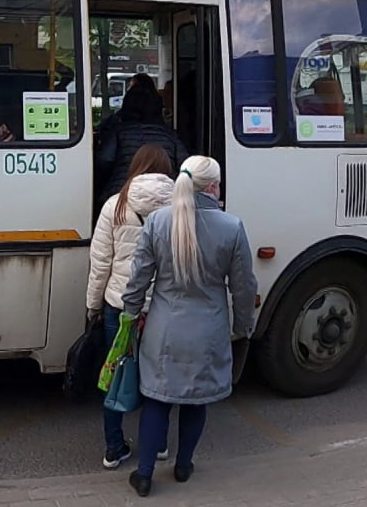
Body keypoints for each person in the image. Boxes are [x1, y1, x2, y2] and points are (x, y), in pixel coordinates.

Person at [120, 155, 257, 497]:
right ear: (212, 187)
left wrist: (130, 314)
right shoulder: (231, 226)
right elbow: (244, 287)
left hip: (162, 330)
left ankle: (145, 474)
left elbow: (138, 279)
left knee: (157, 401)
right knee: (196, 402)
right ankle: (183, 466)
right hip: (208, 331)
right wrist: (244, 326)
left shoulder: (158, 222)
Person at [86, 144, 176, 470]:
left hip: (120, 308)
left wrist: (92, 305)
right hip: (164, 309)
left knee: (116, 375)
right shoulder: (181, 208)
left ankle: (114, 448)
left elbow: (100, 263)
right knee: (160, 378)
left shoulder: (116, 204)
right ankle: (160, 444)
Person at [94, 85, 189, 217]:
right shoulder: (170, 135)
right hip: (163, 197)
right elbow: (186, 165)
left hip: (122, 194)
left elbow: (104, 160)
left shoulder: (119, 131)